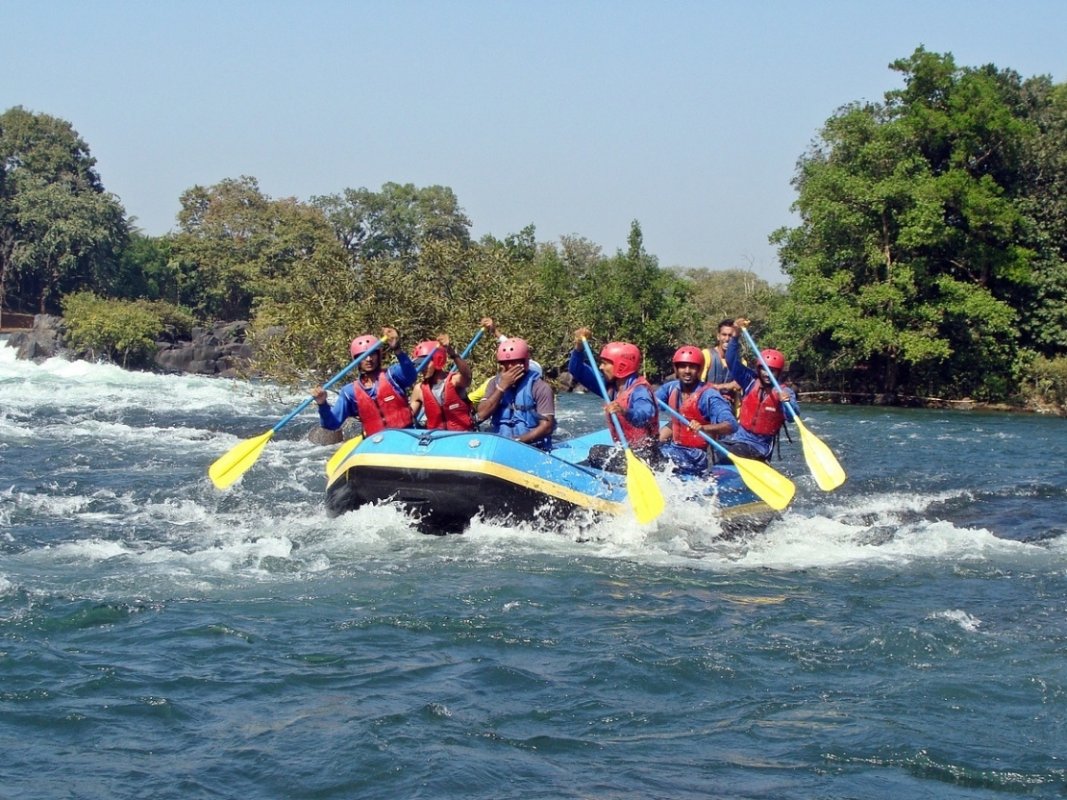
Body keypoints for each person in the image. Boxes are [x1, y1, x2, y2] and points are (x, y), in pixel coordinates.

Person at [567, 327, 661, 470]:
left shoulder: (640, 390)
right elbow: (576, 370)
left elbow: (645, 415)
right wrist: (579, 347)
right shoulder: (611, 387)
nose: (601, 366)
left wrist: (624, 411)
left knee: (596, 452)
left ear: (622, 366)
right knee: (596, 453)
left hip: (647, 456)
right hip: (628, 452)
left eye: (605, 363)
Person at [717, 318, 799, 462]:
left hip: (761, 446)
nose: (767, 374)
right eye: (765, 370)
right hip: (739, 438)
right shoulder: (749, 380)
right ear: (759, 369)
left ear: (779, 373)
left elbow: (793, 417)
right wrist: (735, 335)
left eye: (772, 371)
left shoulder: (785, 392)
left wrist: (787, 403)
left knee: (733, 451)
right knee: (719, 448)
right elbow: (731, 360)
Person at [312, 326, 418, 434]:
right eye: (363, 356)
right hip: (376, 443)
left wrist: (397, 350)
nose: (368, 359)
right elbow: (331, 424)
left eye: (372, 354)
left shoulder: (392, 375)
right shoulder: (349, 392)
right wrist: (322, 404)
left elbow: (411, 375)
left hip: (407, 436)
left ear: (378, 355)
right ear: (357, 360)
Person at [655, 345, 738, 476]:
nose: (687, 371)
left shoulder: (709, 395)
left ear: (699, 370)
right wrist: (623, 408)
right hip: (675, 448)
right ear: (676, 369)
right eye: (682, 366)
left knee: (652, 457)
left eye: (692, 367)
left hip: (696, 456)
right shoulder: (670, 388)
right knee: (644, 450)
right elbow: (648, 407)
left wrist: (704, 428)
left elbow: (731, 425)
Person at [476, 335, 556, 450]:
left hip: (531, 447)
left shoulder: (540, 387)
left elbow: (547, 426)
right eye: (505, 363)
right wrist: (501, 388)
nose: (509, 366)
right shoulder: (494, 383)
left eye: (514, 362)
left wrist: (517, 441)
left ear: (525, 363)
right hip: (500, 444)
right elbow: (481, 415)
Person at [409, 333, 475, 431]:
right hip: (437, 440)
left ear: (438, 360)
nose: (422, 367)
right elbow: (408, 417)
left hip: (461, 436)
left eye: (426, 363)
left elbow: (467, 376)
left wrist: (452, 352)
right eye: (419, 364)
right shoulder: (419, 389)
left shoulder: (454, 380)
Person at [702, 318, 742, 409]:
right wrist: (728, 386)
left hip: (728, 411)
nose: (727, 339)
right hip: (707, 409)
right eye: (724, 335)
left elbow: (739, 393)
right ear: (718, 336)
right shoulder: (707, 355)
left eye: (731, 335)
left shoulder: (741, 362)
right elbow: (698, 386)